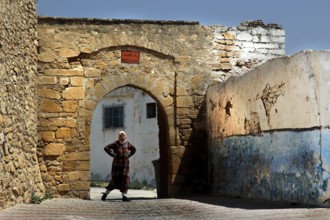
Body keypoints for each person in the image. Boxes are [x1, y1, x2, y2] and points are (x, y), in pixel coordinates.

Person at [101, 131, 136, 202]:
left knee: (125, 179)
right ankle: (105, 194)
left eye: (123, 136)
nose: (122, 137)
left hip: (125, 165)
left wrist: (128, 155)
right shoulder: (115, 144)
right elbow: (106, 148)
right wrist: (113, 154)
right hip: (116, 165)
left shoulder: (128, 144)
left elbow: (133, 149)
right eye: (121, 136)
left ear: (125, 136)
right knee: (115, 180)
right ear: (119, 136)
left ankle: (124, 196)